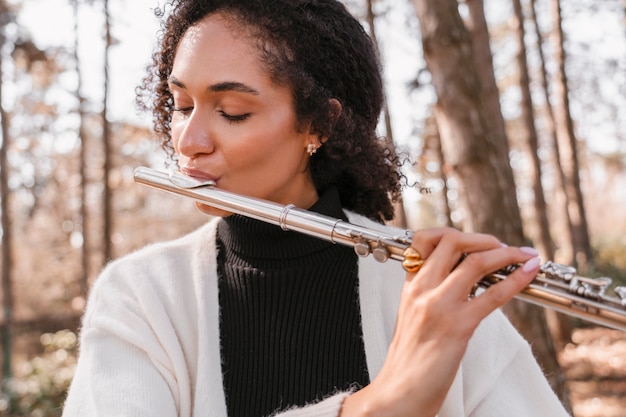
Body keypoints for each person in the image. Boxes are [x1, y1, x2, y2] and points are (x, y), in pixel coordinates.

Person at [62, 1, 571, 416]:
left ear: (319, 125)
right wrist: (377, 408)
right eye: (180, 105)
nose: (188, 140)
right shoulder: (141, 298)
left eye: (231, 112)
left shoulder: (432, 298)